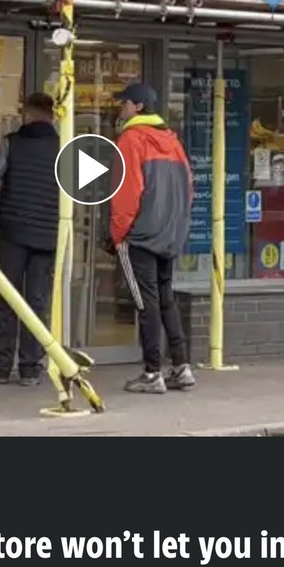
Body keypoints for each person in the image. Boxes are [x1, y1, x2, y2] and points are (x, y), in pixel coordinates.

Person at [109, 82, 196, 394]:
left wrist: (119, 235)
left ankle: (151, 372)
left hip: (141, 237)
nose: (121, 109)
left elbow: (126, 192)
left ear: (138, 107)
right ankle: (181, 367)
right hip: (169, 235)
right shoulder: (173, 142)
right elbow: (189, 190)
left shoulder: (131, 140)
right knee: (165, 300)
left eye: (125, 104)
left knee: (145, 303)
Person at [0, 93, 60, 385]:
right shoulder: (64, 147)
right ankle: (30, 368)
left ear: (27, 114)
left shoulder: (12, 143)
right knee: (37, 301)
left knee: (7, 298)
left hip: (12, 231)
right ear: (51, 115)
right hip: (48, 233)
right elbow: (83, 190)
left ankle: (0, 367)